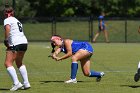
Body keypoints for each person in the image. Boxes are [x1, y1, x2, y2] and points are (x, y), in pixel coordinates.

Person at [3, 6, 31, 91]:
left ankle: (16, 83)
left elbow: (8, 28)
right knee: (19, 62)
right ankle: (26, 83)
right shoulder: (16, 20)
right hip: (24, 42)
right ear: (13, 13)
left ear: (5, 13)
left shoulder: (7, 19)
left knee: (8, 63)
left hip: (15, 43)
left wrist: (6, 40)